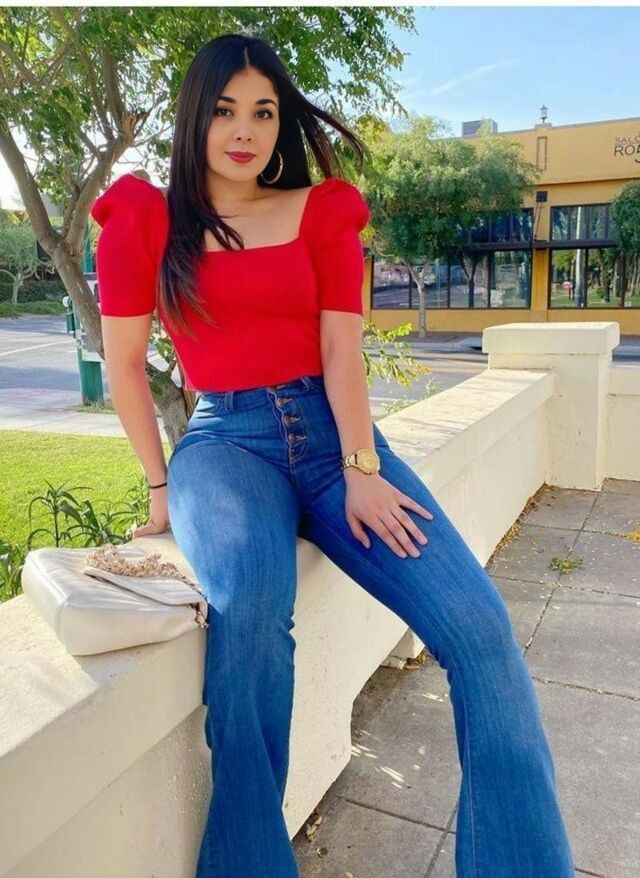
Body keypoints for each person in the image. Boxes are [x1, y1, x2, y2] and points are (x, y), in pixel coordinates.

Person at [90, 32, 576, 878]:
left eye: (264, 112)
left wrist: (360, 468)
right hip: (225, 445)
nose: (246, 130)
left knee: (481, 628)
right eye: (225, 110)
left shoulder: (323, 210)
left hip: (332, 438)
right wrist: (161, 487)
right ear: (195, 117)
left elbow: (341, 350)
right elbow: (124, 367)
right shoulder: (146, 219)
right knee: (249, 608)